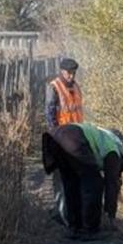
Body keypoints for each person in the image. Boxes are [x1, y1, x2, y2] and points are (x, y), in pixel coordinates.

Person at [41, 122, 123, 239]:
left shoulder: (102, 135)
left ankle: (75, 228)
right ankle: (90, 229)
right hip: (72, 138)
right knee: (94, 183)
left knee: (72, 184)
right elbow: (111, 184)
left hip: (53, 138)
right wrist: (111, 215)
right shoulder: (113, 150)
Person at [45, 57, 84, 224]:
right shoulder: (54, 87)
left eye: (74, 73)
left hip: (76, 137)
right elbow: (50, 115)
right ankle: (60, 212)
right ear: (62, 71)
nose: (72, 76)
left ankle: (72, 210)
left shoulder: (76, 86)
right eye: (69, 73)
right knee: (60, 176)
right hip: (61, 138)